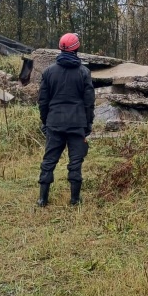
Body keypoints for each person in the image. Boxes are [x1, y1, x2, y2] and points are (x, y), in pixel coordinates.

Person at [37, 33, 95, 207]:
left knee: (48, 161)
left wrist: (46, 122)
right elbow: (89, 102)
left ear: (60, 48)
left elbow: (43, 101)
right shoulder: (84, 72)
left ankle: (42, 199)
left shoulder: (48, 72)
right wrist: (88, 124)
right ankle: (75, 200)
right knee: (75, 162)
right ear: (76, 48)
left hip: (54, 122)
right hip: (77, 123)